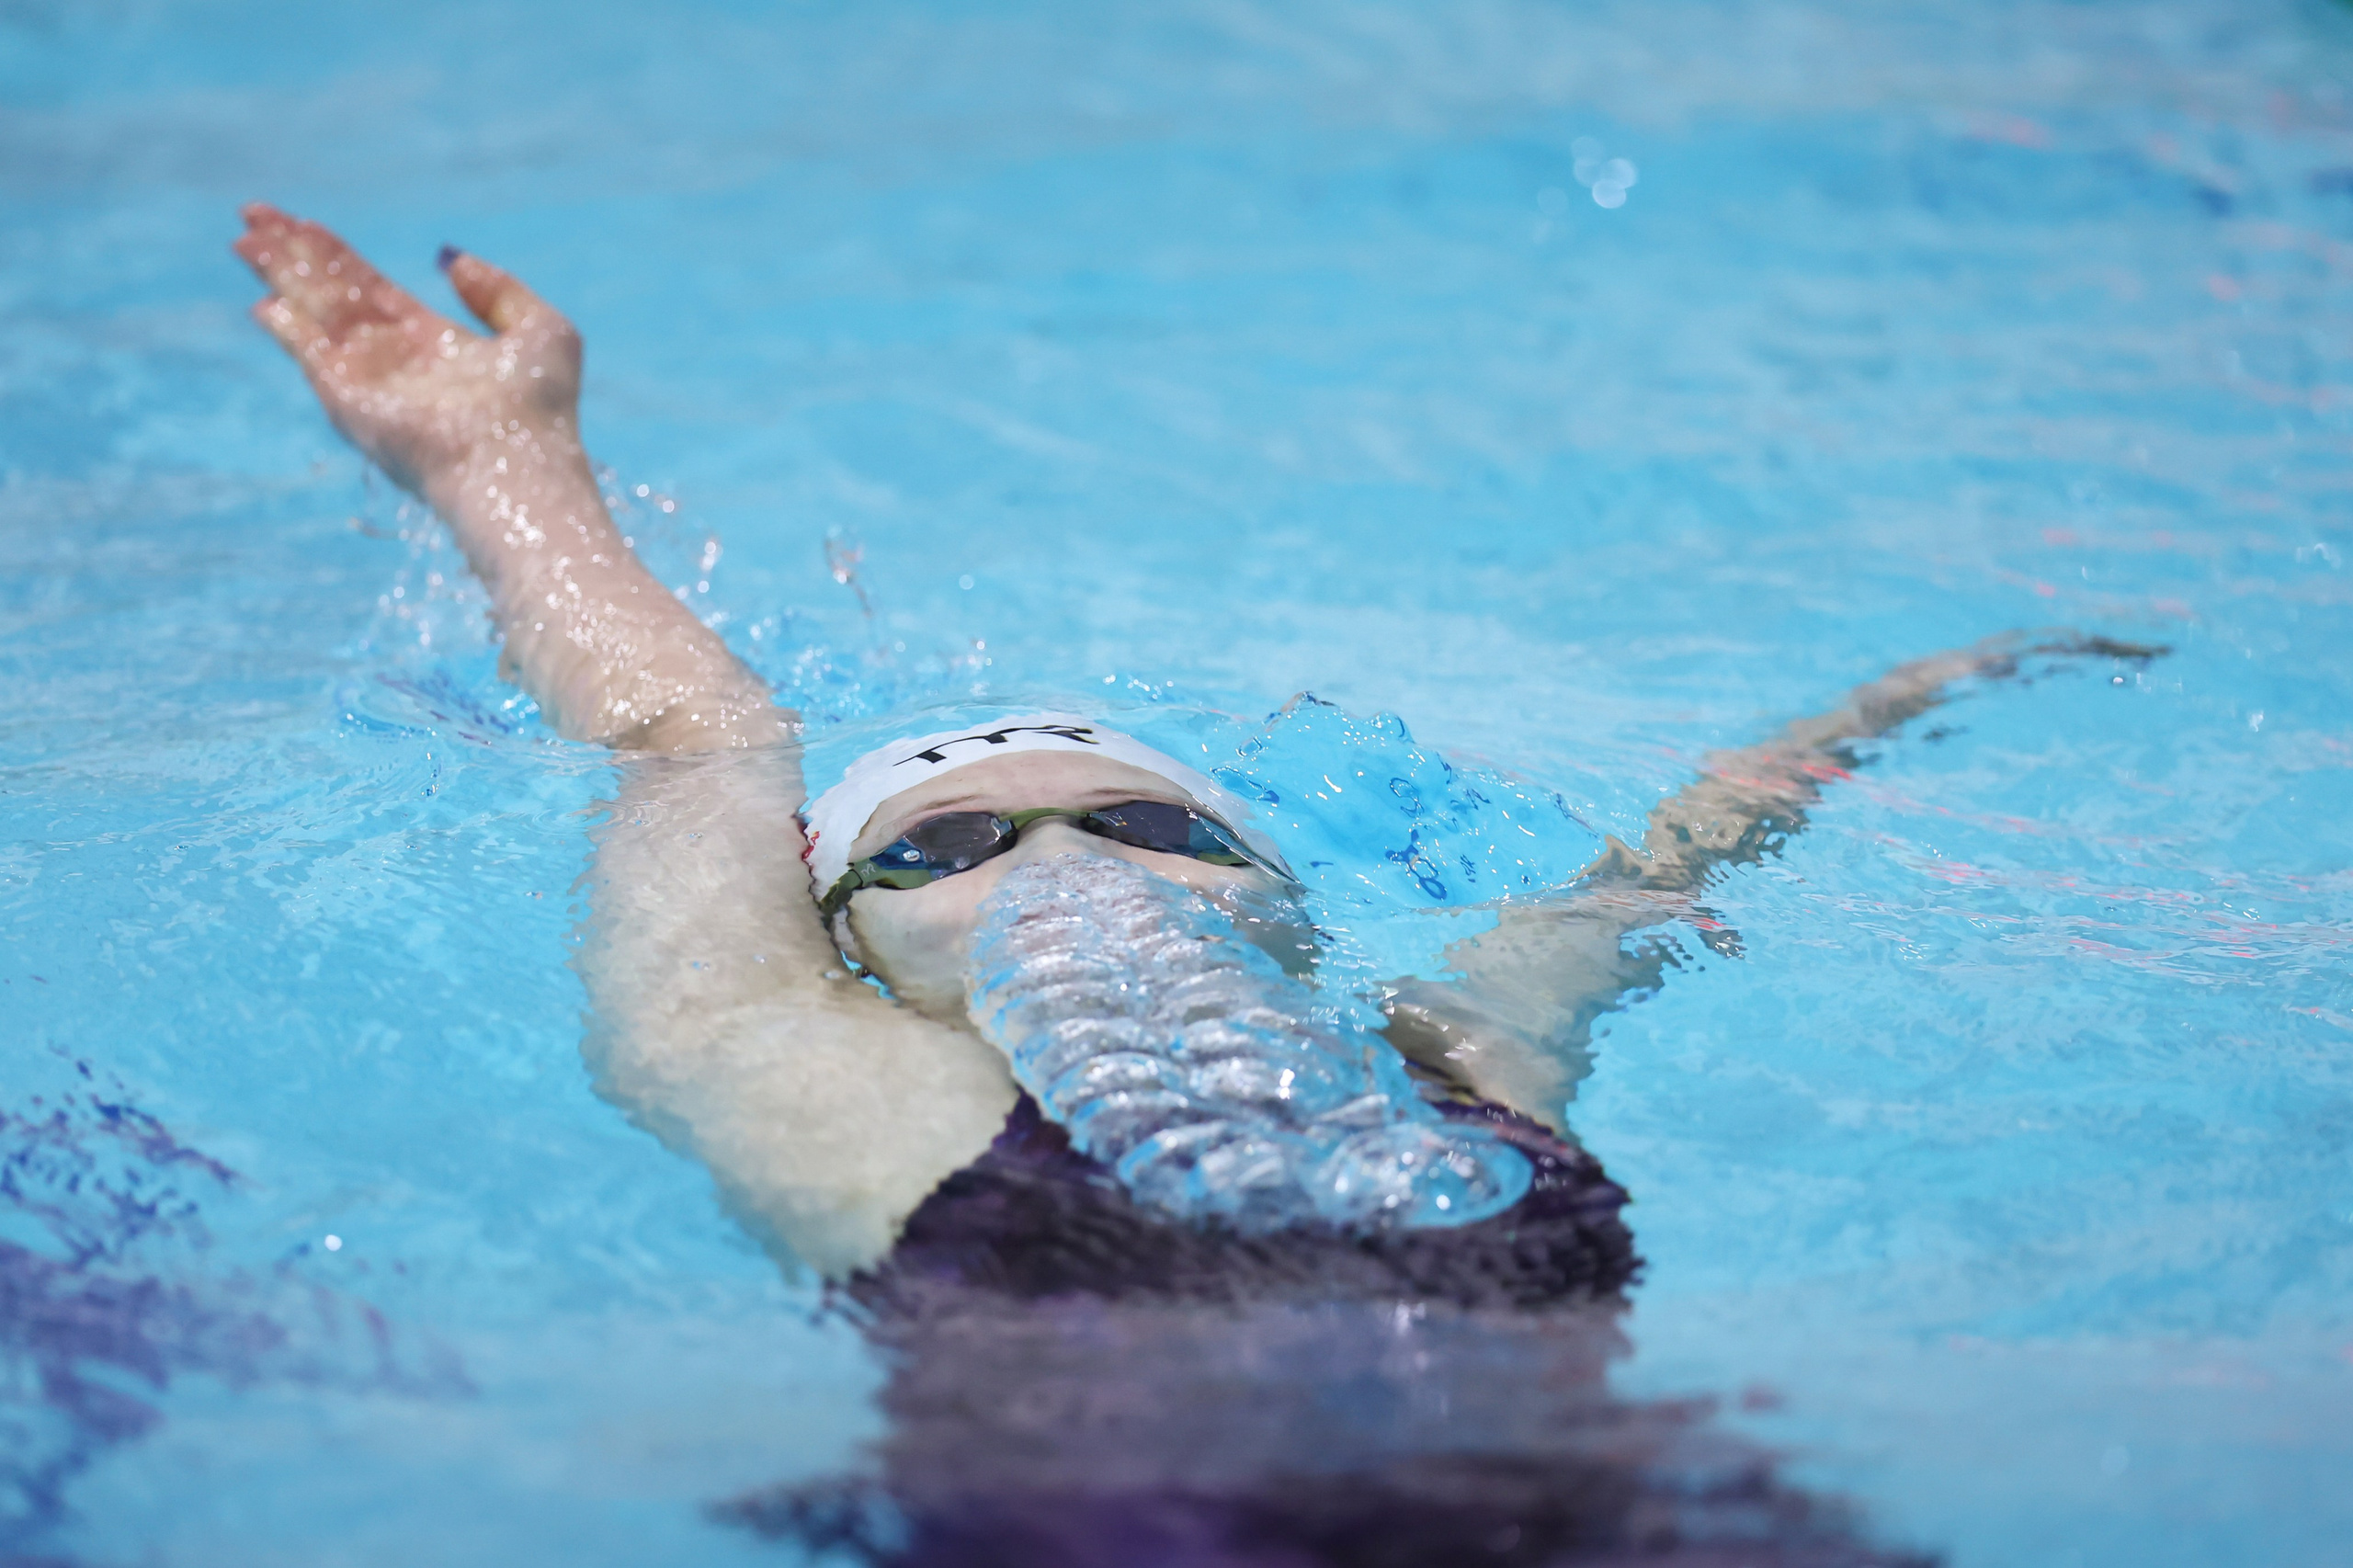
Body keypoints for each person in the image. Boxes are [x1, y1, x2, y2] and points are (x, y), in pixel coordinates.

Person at [234, 204, 2154, 1565]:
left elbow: (1658, 867)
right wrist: (499, 469)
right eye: (945, 847)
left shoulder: (1454, 1061)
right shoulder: (824, 1076)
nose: (1065, 854)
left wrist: (1904, 699)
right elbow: (693, 742)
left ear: (1284, 904)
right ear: (849, 944)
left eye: (1153, 825)